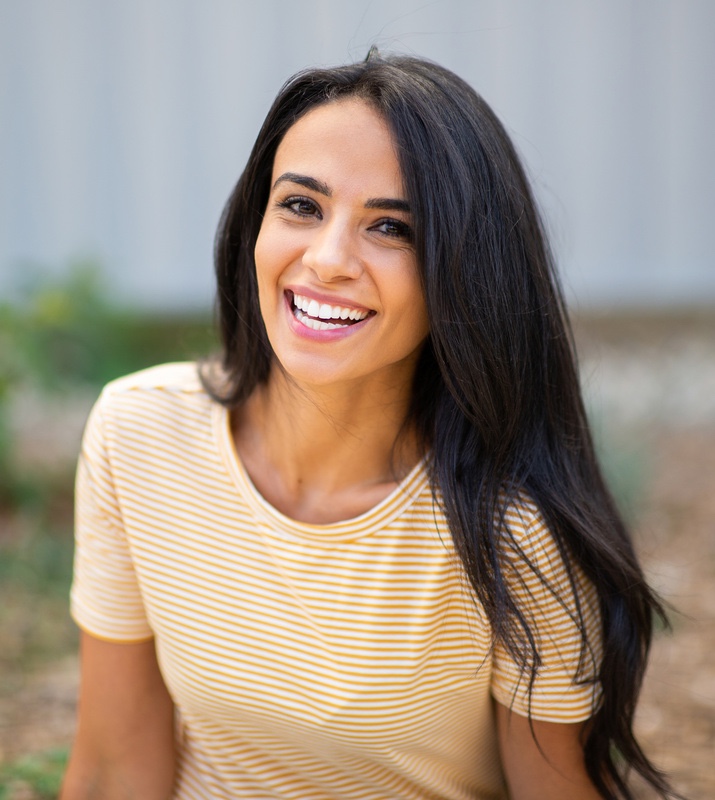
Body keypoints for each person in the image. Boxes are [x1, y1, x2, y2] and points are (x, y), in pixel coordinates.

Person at [60, 52, 676, 800]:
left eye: (389, 226)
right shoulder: (140, 433)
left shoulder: (513, 528)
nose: (326, 260)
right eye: (300, 206)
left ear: (465, 270)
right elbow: (115, 767)